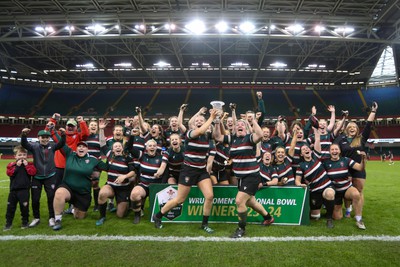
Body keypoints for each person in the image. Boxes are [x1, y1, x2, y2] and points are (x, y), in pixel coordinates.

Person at [152, 108, 218, 233]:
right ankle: (158, 215)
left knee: (209, 196)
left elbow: (215, 133)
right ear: (193, 123)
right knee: (179, 200)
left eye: (201, 120)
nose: (199, 121)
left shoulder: (207, 137)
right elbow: (200, 130)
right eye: (197, 120)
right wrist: (210, 118)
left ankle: (204, 224)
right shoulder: (190, 133)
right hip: (188, 171)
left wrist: (219, 119)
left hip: (201, 171)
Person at [214, 118, 274, 238]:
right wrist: (216, 122)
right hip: (241, 177)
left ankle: (241, 229)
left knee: (239, 201)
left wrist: (254, 121)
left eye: (243, 124)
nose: (240, 126)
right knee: (251, 201)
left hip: (252, 176)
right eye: (238, 125)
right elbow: (217, 137)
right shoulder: (233, 139)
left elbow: (260, 135)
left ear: (246, 129)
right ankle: (268, 218)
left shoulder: (249, 138)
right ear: (235, 129)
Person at [52, 133, 108, 230]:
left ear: (87, 149)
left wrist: (113, 156)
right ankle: (58, 220)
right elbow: (60, 143)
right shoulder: (70, 154)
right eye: (79, 146)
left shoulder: (93, 160)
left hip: (83, 193)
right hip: (68, 188)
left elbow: (107, 168)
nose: (81, 148)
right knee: (59, 193)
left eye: (84, 147)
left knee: (79, 217)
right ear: (76, 148)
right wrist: (54, 132)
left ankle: (74, 208)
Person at [335, 102, 377, 217]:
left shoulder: (361, 139)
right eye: (350, 127)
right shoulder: (341, 139)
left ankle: (359, 213)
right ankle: (348, 209)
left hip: (359, 168)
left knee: (359, 191)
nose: (352, 128)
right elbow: (334, 149)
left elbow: (368, 124)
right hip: (345, 168)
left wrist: (373, 111)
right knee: (347, 190)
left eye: (354, 127)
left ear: (357, 129)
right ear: (347, 129)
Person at [21, 128, 65, 228]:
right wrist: (24, 135)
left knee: (51, 198)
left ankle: (52, 218)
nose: (45, 139)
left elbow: (61, 144)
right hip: (37, 176)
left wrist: (63, 135)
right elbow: (24, 144)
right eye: (43, 137)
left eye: (47, 137)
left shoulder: (53, 146)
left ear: (49, 138)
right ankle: (36, 218)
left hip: (50, 176)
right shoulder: (34, 147)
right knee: (35, 199)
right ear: (38, 138)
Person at [96, 119, 136, 226]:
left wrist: (125, 176)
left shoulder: (127, 156)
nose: (117, 147)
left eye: (119, 146)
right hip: (111, 185)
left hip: (123, 188)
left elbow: (133, 172)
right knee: (102, 194)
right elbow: (102, 143)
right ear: (112, 149)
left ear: (122, 148)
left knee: (121, 215)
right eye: (115, 146)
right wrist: (101, 130)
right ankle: (102, 216)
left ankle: (124, 204)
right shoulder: (109, 153)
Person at [294, 128, 336, 228]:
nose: (306, 149)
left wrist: (316, 129)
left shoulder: (316, 156)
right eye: (303, 149)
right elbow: (297, 180)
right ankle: (320, 206)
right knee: (315, 217)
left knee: (329, 194)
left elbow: (317, 139)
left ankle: (329, 219)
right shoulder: (301, 165)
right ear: (301, 154)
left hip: (326, 186)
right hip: (315, 191)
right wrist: (300, 184)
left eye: (307, 148)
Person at [323, 143, 367, 229]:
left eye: (336, 149)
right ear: (329, 152)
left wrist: (363, 159)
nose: (334, 151)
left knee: (356, 194)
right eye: (332, 149)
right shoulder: (326, 163)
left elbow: (360, 168)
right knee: (337, 217)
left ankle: (359, 219)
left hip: (346, 188)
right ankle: (339, 207)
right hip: (335, 191)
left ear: (339, 151)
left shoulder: (346, 160)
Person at [128, 139, 166, 224]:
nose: (152, 147)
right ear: (146, 148)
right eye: (150, 146)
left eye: (154, 146)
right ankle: (137, 215)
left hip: (156, 186)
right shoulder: (142, 155)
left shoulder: (161, 158)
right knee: (134, 194)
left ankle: (159, 215)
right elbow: (129, 148)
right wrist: (132, 135)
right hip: (144, 185)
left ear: (156, 148)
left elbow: (165, 173)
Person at [4, 146, 36, 231]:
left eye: (24, 154)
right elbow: (9, 174)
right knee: (10, 208)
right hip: (13, 191)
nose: (22, 156)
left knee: (24, 207)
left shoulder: (29, 165)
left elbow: (33, 173)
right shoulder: (11, 165)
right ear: (15, 156)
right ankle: (8, 223)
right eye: (20, 155)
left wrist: (26, 166)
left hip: (24, 190)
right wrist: (17, 167)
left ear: (27, 155)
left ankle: (25, 222)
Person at [86, 119, 102, 211]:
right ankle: (86, 203)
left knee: (95, 183)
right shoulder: (85, 136)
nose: (93, 126)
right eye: (91, 125)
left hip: (96, 164)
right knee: (86, 183)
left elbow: (103, 148)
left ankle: (97, 204)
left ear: (97, 127)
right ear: (88, 127)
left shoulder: (100, 137)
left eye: (95, 125)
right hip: (85, 163)